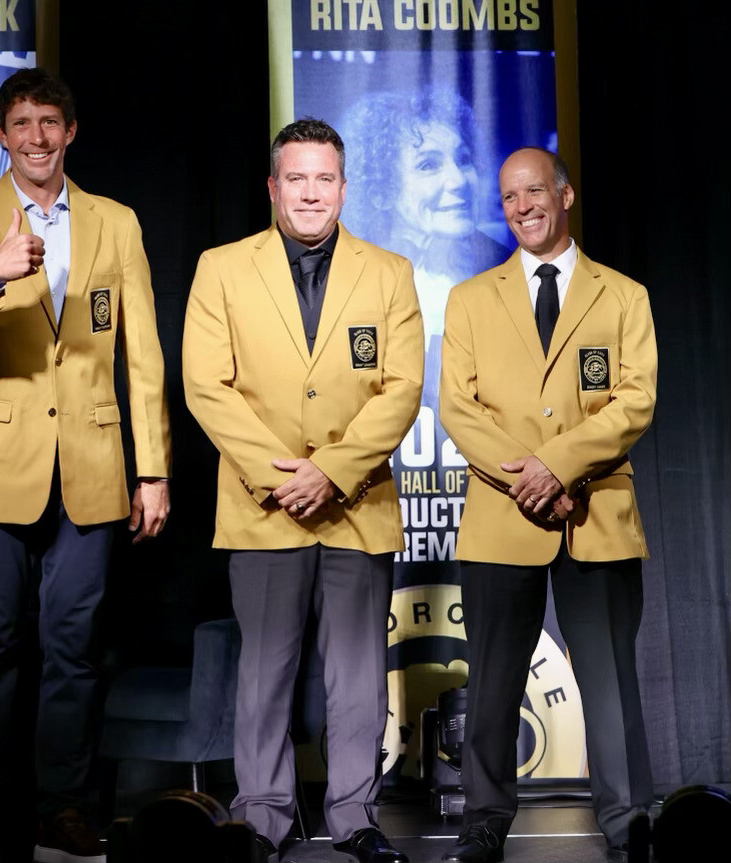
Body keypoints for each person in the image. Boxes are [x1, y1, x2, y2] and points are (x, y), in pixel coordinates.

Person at [0, 67, 172, 863]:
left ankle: (62, 805)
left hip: (91, 464)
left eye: (49, 122)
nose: (35, 137)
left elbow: (143, 357)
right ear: (0, 135)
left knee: (74, 644)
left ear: (70, 132)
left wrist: (152, 469)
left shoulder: (114, 221)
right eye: (21, 123)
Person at [182, 118, 423, 863]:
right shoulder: (221, 267)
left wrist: (334, 470)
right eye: (297, 178)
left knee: (355, 678)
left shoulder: (389, 271)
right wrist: (283, 477)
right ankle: (263, 818)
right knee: (264, 673)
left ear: (343, 187)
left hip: (356, 504)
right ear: (273, 186)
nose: (311, 192)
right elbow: (205, 385)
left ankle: (353, 815)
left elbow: (402, 387)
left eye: (324, 179)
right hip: (264, 507)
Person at [438, 147, 656, 863]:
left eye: (533, 191)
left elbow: (633, 400)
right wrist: (527, 479)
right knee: (494, 686)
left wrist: (556, 468)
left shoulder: (622, 295)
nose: (521, 206)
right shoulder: (469, 299)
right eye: (507, 197)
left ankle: (627, 823)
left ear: (564, 195)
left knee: (611, 684)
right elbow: (458, 409)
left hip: (594, 517)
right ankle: (481, 824)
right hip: (503, 520)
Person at [341, 89, 509, 341]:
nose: (458, 180)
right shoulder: (351, 277)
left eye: (463, 159)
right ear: (381, 190)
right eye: (428, 165)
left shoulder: (507, 267)